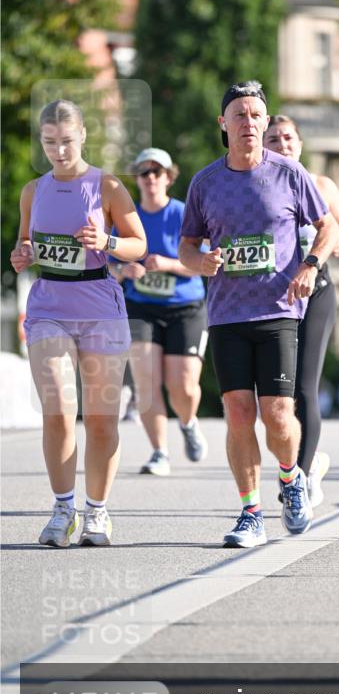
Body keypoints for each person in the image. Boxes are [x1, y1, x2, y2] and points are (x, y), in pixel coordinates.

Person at [178, 81, 338, 548]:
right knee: (238, 412)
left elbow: (326, 227)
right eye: (239, 115)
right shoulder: (205, 183)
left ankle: (291, 481)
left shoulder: (290, 174)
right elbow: (187, 247)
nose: (249, 123)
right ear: (223, 125)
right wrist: (199, 262)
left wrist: (310, 265)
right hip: (227, 315)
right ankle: (250, 512)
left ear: (265, 122)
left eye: (255, 116)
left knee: (279, 414)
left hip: (279, 310)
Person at [9, 99, 147, 548]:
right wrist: (21, 254)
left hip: (100, 308)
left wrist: (106, 240)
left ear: (83, 136)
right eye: (49, 143)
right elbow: (24, 244)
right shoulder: (33, 190)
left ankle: (97, 512)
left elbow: (138, 245)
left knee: (102, 420)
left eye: (66, 141)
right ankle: (63, 508)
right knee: (58, 412)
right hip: (48, 305)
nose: (59, 151)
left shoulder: (106, 186)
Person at [263, 114, 339, 507]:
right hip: (273, 299)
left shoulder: (320, 185)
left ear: (299, 143)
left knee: (303, 389)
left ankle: (300, 476)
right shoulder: (258, 187)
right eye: (275, 139)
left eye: (288, 137)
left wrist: (334, 242)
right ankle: (307, 465)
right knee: (277, 396)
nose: (283, 144)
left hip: (316, 292)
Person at [112, 148, 209, 475]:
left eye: (158, 172)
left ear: (169, 177)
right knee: (146, 380)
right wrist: (125, 270)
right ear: (137, 179)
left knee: (182, 386)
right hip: (141, 308)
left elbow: (204, 264)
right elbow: (107, 265)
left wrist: (166, 263)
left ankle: (188, 421)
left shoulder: (183, 214)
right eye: (144, 173)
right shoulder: (128, 218)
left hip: (186, 306)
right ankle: (159, 453)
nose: (151, 178)